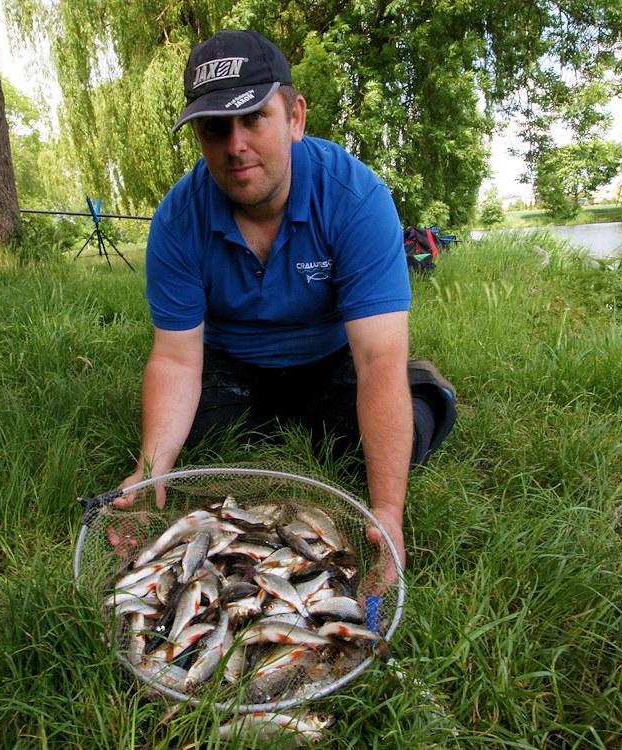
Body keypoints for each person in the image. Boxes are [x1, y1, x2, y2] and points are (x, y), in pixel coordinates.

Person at [116, 29, 456, 580]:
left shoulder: (356, 199)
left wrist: (388, 513)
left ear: (295, 117)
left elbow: (375, 360)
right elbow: (177, 359)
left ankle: (426, 389)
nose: (235, 145)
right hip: (230, 364)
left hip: (330, 355)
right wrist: (149, 470)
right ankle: (266, 415)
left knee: (382, 444)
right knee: (194, 455)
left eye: (253, 117)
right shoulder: (176, 220)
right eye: (215, 128)